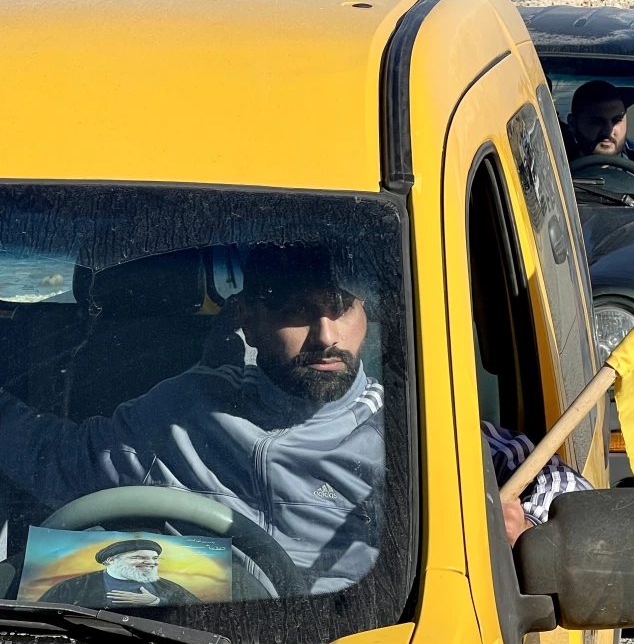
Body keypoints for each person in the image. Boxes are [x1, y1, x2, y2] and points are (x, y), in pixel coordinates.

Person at [0, 245, 590, 595]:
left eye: (340, 310)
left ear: (366, 317)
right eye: (297, 313)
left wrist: (526, 527)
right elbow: (56, 459)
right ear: (248, 320)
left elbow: (573, 497)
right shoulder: (184, 411)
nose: (326, 336)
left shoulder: (418, 430)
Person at [37, 539, 201, 608]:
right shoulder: (72, 587)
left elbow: (199, 613)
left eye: (154, 558)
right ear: (111, 560)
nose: (151, 563)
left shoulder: (166, 586)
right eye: (138, 557)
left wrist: (156, 601)